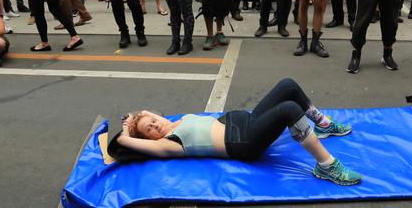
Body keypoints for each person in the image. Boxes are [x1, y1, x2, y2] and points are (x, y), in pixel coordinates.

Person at [118, 78, 361, 186]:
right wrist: (126, 128)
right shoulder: (168, 145)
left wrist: (135, 117)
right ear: (149, 138)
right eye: (148, 129)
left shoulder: (174, 122)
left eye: (151, 120)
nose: (153, 125)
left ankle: (322, 124)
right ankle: (327, 166)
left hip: (246, 122)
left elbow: (147, 112)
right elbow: (124, 141)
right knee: (289, 109)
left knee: (287, 84)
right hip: (243, 142)